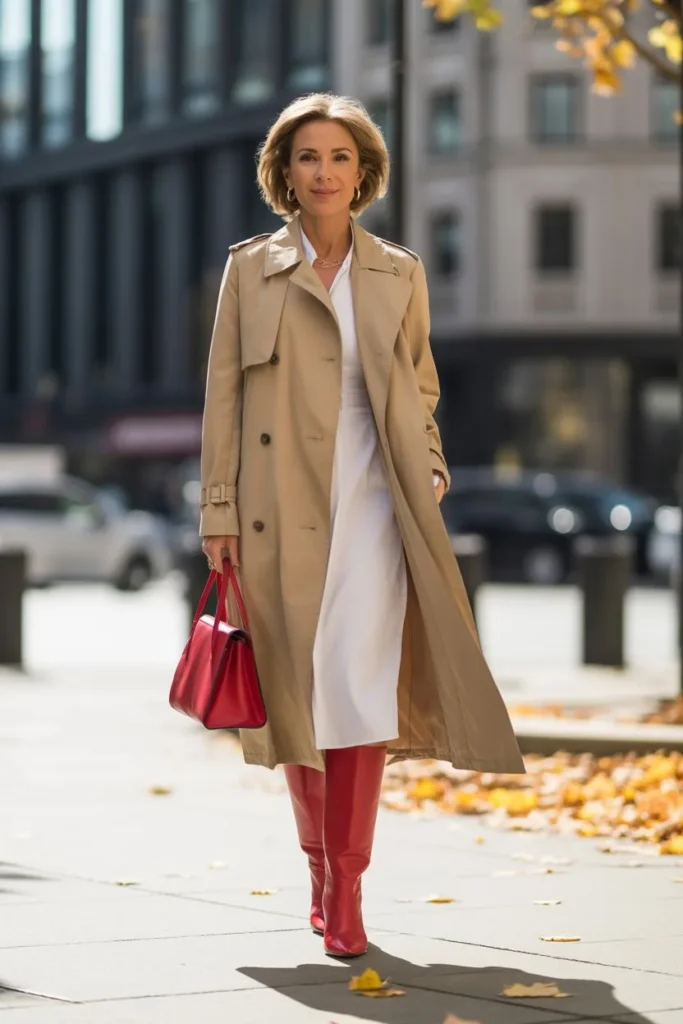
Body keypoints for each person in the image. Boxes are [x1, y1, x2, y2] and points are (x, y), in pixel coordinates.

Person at [199, 93, 524, 959]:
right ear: (285, 172)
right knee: (302, 692)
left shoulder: (398, 272)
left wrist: (429, 465)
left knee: (360, 689)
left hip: (376, 499)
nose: (324, 172)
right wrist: (218, 509)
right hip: (277, 506)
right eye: (308, 157)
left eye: (339, 157)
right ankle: (318, 870)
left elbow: (418, 386)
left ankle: (346, 884)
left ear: (363, 172)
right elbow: (223, 399)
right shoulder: (249, 269)